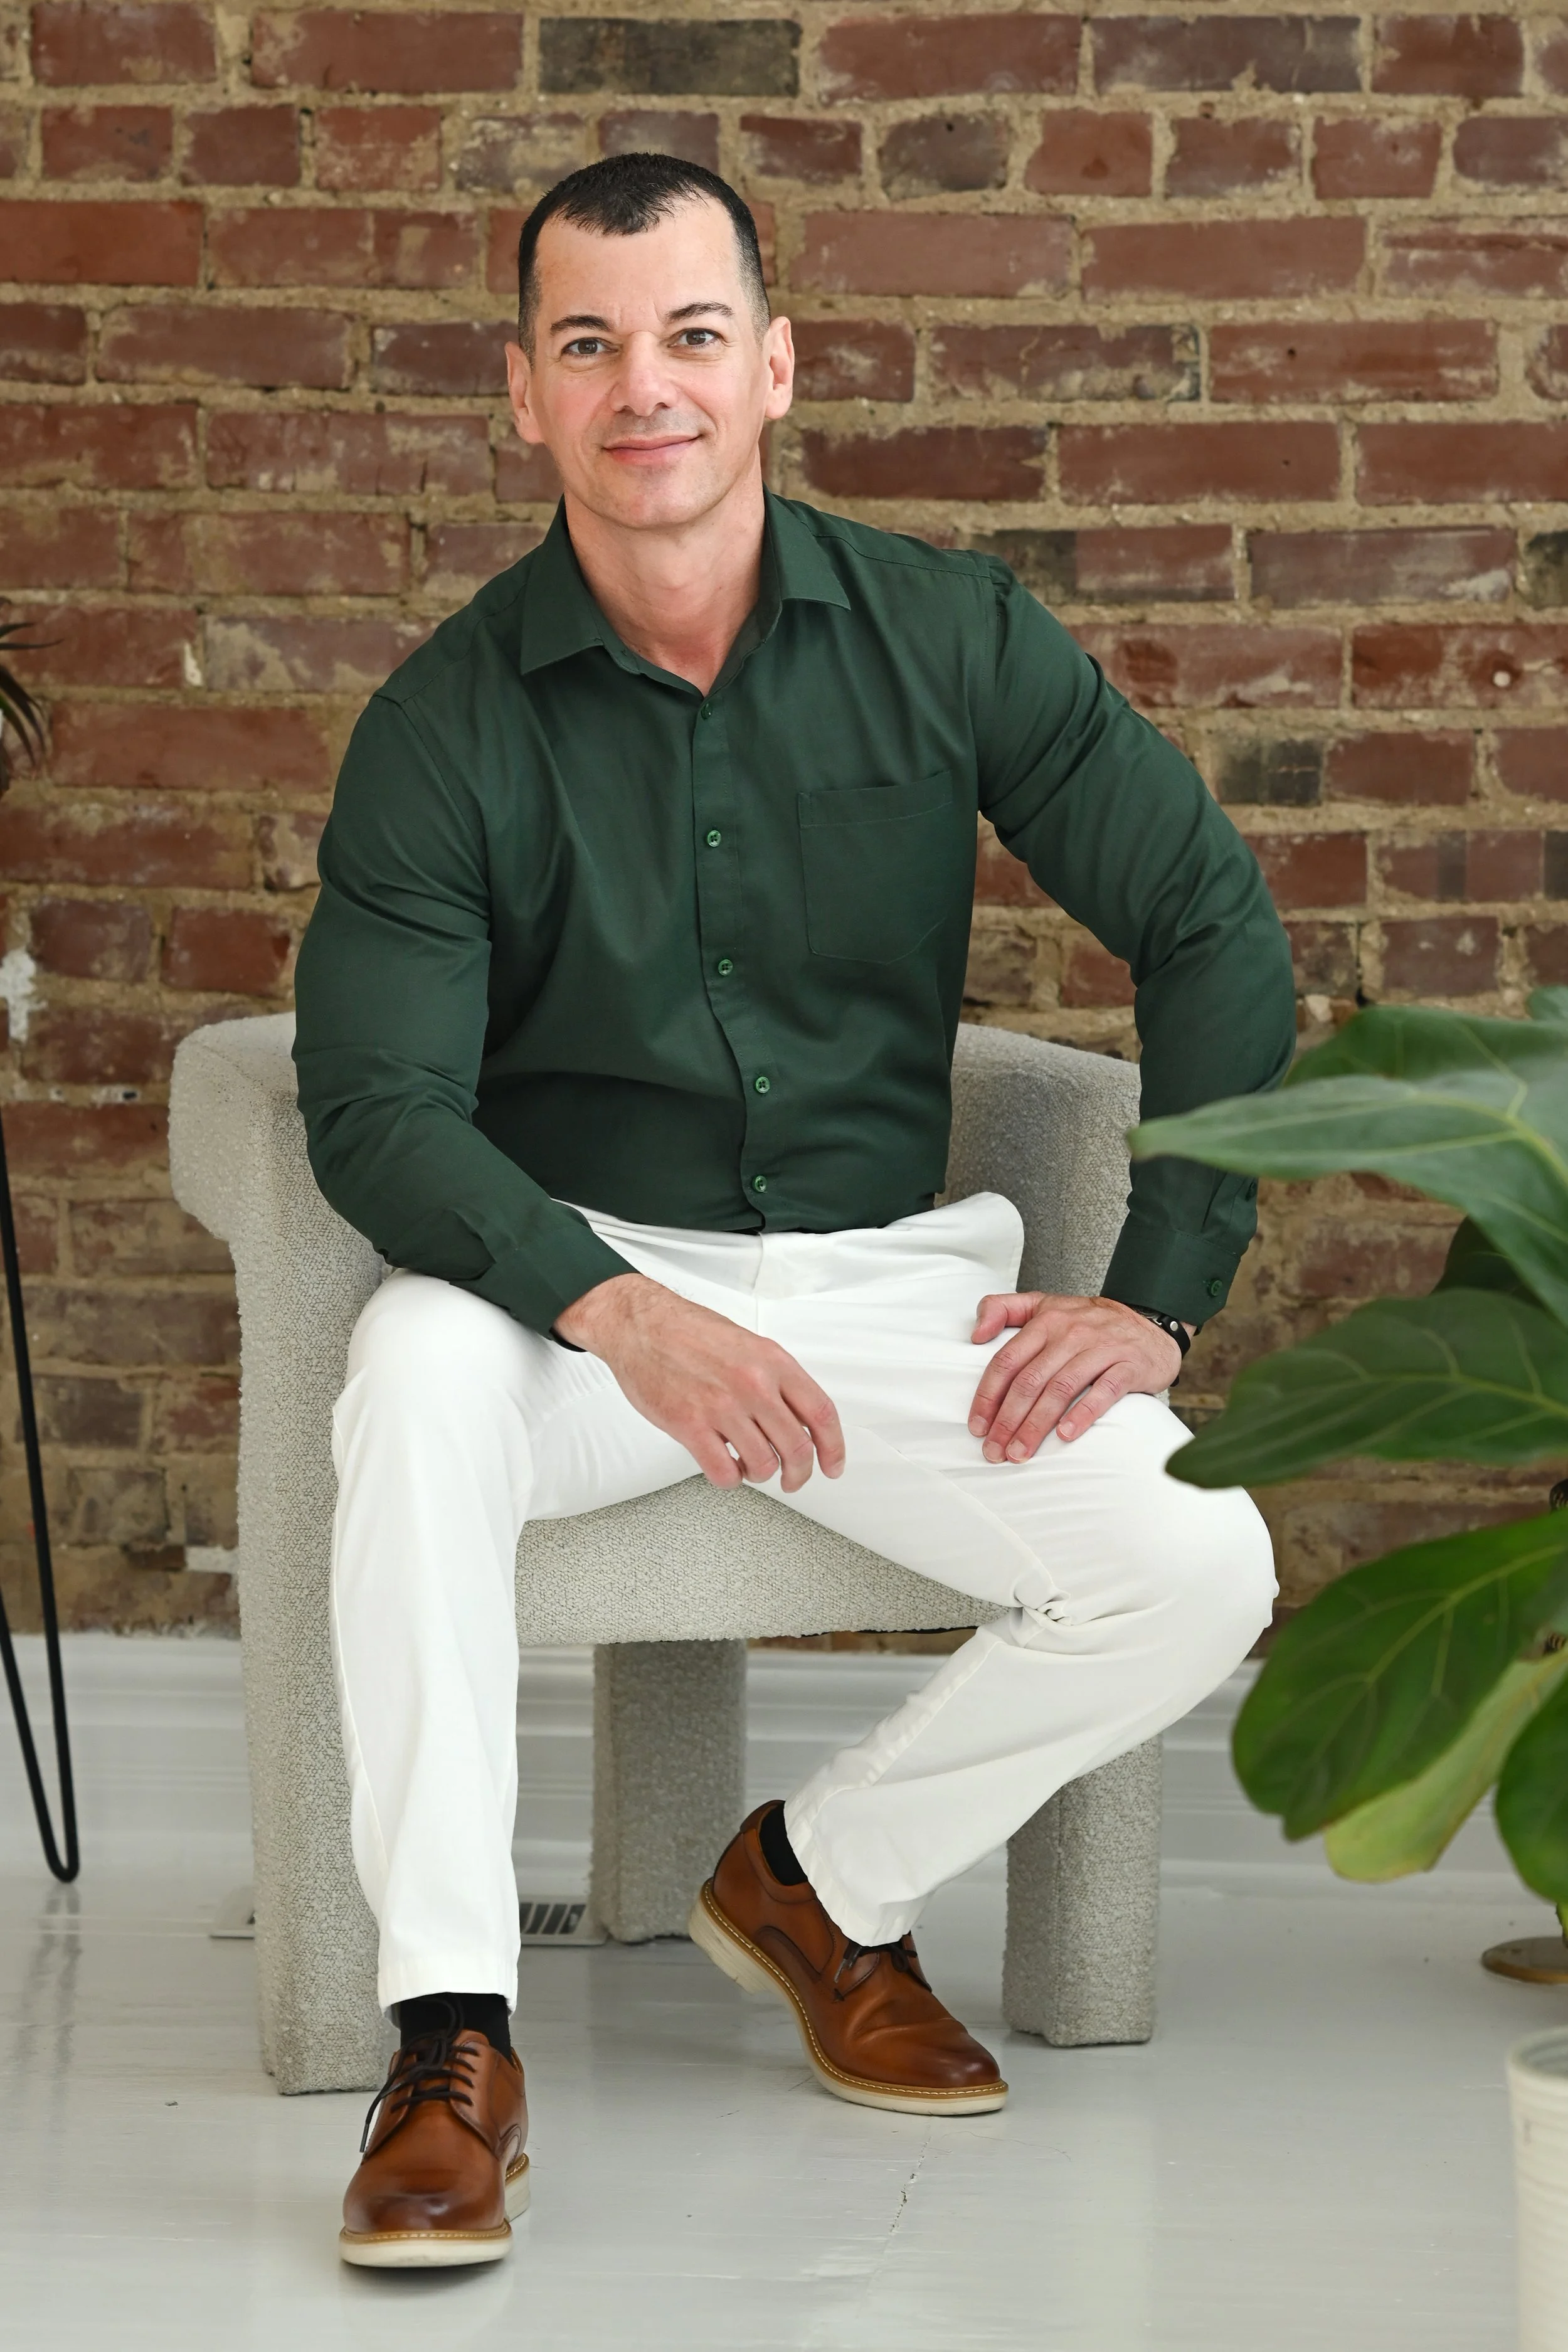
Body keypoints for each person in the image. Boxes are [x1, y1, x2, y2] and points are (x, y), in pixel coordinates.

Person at [292, 151, 1294, 2270]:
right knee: (404, 1375)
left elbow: (1210, 918)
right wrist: (610, 1306)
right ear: (524, 393)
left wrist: (1160, 1293)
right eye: (587, 343)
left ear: (770, 366)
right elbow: (372, 1107)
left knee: (1198, 1560)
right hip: (571, 1297)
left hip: (867, 1286)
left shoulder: (951, 633)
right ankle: (450, 2037)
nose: (638, 385)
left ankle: (819, 1881)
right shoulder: (444, 722)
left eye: (682, 335)